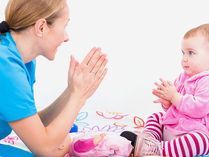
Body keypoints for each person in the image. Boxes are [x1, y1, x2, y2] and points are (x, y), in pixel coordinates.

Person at [0, 0, 108, 156]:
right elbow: (45, 149)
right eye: (64, 26)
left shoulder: (22, 60)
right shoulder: (6, 67)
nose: (66, 37)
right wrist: (79, 97)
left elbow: (33, 125)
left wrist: (71, 92)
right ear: (41, 27)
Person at [143, 23, 209, 156]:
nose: (184, 58)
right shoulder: (183, 77)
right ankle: (148, 141)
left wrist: (174, 97)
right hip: (179, 128)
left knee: (199, 140)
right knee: (157, 117)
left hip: (203, 132)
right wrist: (168, 103)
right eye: (183, 53)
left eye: (191, 53)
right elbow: (177, 108)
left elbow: (198, 109)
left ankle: (160, 149)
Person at [66, 133, 133, 156]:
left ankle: (131, 149)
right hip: (113, 143)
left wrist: (97, 139)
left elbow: (87, 144)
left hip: (112, 146)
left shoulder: (75, 147)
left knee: (118, 145)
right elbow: (86, 143)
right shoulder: (74, 144)